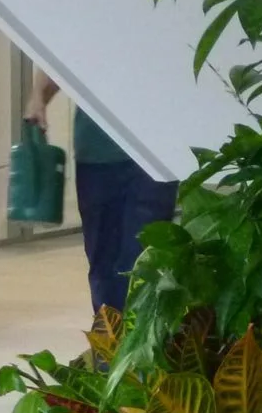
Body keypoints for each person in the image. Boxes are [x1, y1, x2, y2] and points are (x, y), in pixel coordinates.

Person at [23, 69, 177, 315]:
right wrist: (38, 97)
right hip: (97, 152)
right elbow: (63, 52)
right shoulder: (88, 28)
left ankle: (139, 346)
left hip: (155, 153)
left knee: (143, 260)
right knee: (103, 262)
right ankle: (109, 344)